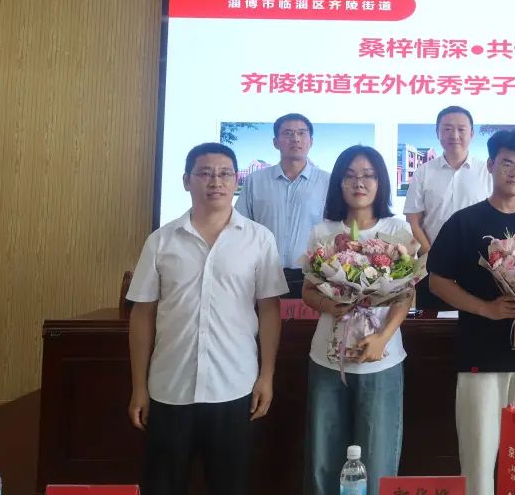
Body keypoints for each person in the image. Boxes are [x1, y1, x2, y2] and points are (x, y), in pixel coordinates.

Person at [127, 142, 288, 495]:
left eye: (225, 173)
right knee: (162, 486)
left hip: (235, 387)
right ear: (187, 181)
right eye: (205, 173)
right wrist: (139, 387)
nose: (216, 181)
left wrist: (267, 376)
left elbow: (269, 310)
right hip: (170, 388)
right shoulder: (161, 241)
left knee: (231, 486)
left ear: (236, 181)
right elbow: (142, 314)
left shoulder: (259, 240)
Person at [428, 129, 515, 495]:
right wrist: (485, 308)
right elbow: (437, 281)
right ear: (490, 165)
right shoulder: (464, 222)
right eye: (506, 163)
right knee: (479, 455)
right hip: (480, 354)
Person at [301, 145, 414, 495]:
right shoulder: (324, 232)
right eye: (349, 175)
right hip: (327, 358)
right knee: (323, 457)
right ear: (339, 183)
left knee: (379, 457)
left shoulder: (397, 230)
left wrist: (382, 338)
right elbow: (307, 291)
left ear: (380, 182)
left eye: (368, 175)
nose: (358, 182)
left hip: (381, 359)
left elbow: (406, 294)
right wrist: (328, 304)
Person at [403, 105, 491, 309]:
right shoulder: (423, 172)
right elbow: (413, 221)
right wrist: (431, 256)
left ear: (472, 133)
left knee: (476, 320)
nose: (454, 135)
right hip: (433, 267)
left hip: (479, 267)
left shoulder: (486, 172)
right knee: (433, 323)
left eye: (461, 129)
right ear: (437, 133)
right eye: (448, 129)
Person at [236, 113, 331, 298]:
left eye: (301, 133)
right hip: (262, 274)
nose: (295, 138)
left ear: (311, 141)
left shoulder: (328, 182)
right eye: (288, 133)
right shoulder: (255, 181)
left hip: (313, 278)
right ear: (275, 142)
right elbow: (241, 226)